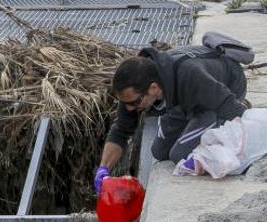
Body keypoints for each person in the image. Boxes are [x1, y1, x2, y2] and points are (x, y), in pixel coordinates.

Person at [93, 44, 248, 195]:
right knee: (159, 151)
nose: (130, 109)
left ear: (153, 89)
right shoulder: (133, 93)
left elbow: (236, 112)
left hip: (223, 89)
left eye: (134, 103)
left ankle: (211, 117)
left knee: (179, 154)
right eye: (126, 103)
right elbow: (120, 131)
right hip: (183, 103)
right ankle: (192, 114)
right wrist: (103, 168)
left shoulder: (189, 74)